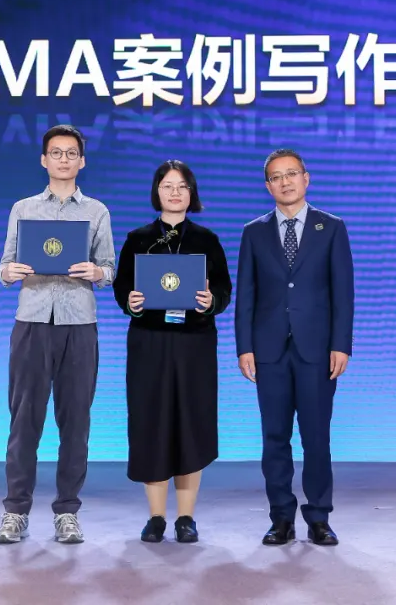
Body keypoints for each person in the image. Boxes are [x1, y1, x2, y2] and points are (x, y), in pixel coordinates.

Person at [0, 124, 116, 545]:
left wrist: (97, 272)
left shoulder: (97, 211)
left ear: (82, 161)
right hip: (31, 322)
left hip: (79, 325)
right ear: (44, 160)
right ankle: (15, 511)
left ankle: (67, 511)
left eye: (71, 153)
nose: (64, 159)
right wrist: (9, 272)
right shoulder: (23, 208)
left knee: (76, 421)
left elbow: (110, 269)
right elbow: (4, 266)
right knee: (24, 421)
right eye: (56, 153)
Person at [235, 148, 355, 547]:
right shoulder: (254, 232)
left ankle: (319, 517)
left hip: (317, 350)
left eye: (291, 174)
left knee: (316, 437)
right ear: (267, 186)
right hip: (268, 350)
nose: (284, 182)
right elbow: (246, 295)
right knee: (275, 437)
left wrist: (341, 344)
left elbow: (343, 292)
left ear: (306, 178)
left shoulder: (331, 227)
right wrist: (244, 347)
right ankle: (281, 518)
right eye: (276, 177)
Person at [112, 160, 232, 544]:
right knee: (151, 422)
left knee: (191, 424)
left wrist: (211, 301)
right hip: (149, 342)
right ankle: (155, 518)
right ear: (157, 192)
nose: (175, 192)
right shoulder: (137, 239)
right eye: (168, 186)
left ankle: (186, 517)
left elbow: (224, 290)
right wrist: (130, 301)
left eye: (182, 186)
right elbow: (121, 288)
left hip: (194, 343)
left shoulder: (207, 240)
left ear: (191, 193)